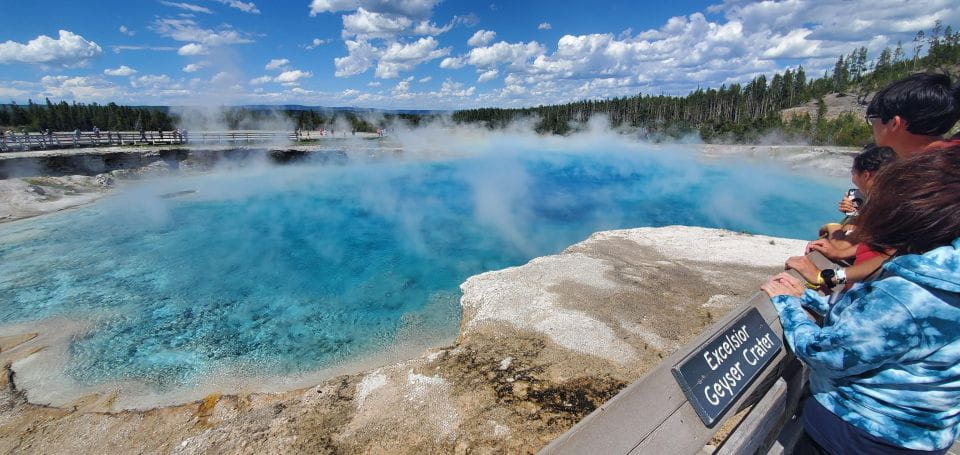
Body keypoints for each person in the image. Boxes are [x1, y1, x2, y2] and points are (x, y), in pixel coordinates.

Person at [762, 145, 960, 454]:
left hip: (861, 432)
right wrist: (813, 299)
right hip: (922, 431)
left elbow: (827, 353)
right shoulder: (942, 270)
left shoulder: (908, 296)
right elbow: (873, 326)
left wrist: (788, 303)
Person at [789, 144, 897, 288]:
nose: (852, 179)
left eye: (853, 173)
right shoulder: (893, 203)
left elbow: (843, 245)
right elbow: (869, 247)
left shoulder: (885, 210)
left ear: (866, 175)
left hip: (866, 292)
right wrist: (855, 214)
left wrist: (832, 226)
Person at [866, 73, 960, 158]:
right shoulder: (949, 158)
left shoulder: (923, 173)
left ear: (894, 123)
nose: (872, 127)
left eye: (872, 120)